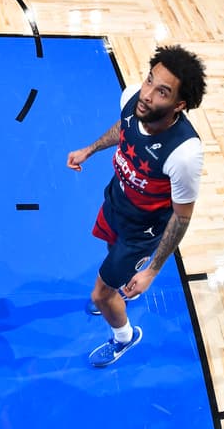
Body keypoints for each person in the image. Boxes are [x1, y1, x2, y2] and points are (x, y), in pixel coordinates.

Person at [67, 45, 207, 367]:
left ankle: (124, 337)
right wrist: (90, 149)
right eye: (150, 80)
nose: (147, 94)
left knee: (100, 295)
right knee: (109, 257)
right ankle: (114, 289)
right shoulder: (133, 98)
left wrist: (152, 271)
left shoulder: (185, 154)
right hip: (116, 202)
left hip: (141, 233)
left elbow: (182, 217)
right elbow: (124, 128)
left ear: (179, 105)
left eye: (162, 92)